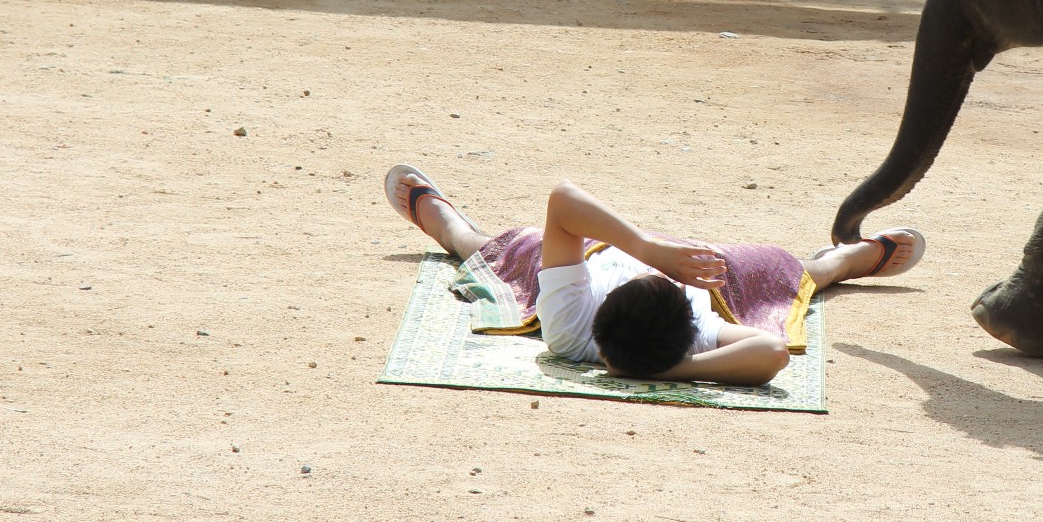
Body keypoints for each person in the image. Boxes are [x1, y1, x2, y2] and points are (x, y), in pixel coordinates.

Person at [384, 168, 925, 384]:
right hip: (693, 269)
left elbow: (563, 199)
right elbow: (770, 352)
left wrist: (644, 250)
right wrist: (675, 368)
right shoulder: (692, 332)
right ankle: (839, 262)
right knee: (778, 277)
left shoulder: (569, 329)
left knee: (498, 254)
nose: (639, 272)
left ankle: (450, 227)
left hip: (596, 249)